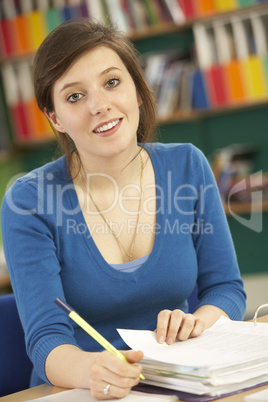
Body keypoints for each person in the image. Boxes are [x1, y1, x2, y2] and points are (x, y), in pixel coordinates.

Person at [1, 18, 246, 400]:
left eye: (112, 82)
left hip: (182, 382)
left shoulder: (187, 166)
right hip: (83, 391)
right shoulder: (28, 201)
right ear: (55, 118)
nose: (100, 105)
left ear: (137, 89)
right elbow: (46, 339)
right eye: (74, 96)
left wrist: (197, 323)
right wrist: (91, 368)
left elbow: (225, 288)